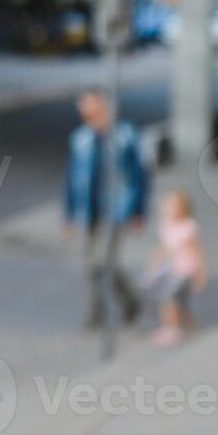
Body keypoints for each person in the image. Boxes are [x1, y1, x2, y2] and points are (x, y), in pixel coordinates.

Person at [62, 88, 147, 329]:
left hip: (116, 210)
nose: (90, 117)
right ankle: (104, 310)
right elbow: (70, 178)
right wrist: (68, 215)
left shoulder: (124, 136)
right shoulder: (80, 140)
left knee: (104, 262)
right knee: (93, 264)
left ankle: (120, 304)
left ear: (105, 110)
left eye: (94, 111)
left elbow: (139, 176)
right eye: (86, 113)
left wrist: (139, 211)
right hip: (88, 210)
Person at [139, 188, 207, 348]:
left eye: (174, 206)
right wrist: (154, 263)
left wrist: (201, 274)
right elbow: (164, 248)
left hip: (185, 271)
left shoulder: (188, 227)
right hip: (172, 270)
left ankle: (171, 329)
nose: (170, 210)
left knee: (168, 298)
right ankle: (188, 324)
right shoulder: (167, 226)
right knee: (178, 301)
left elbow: (198, 252)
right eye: (168, 206)